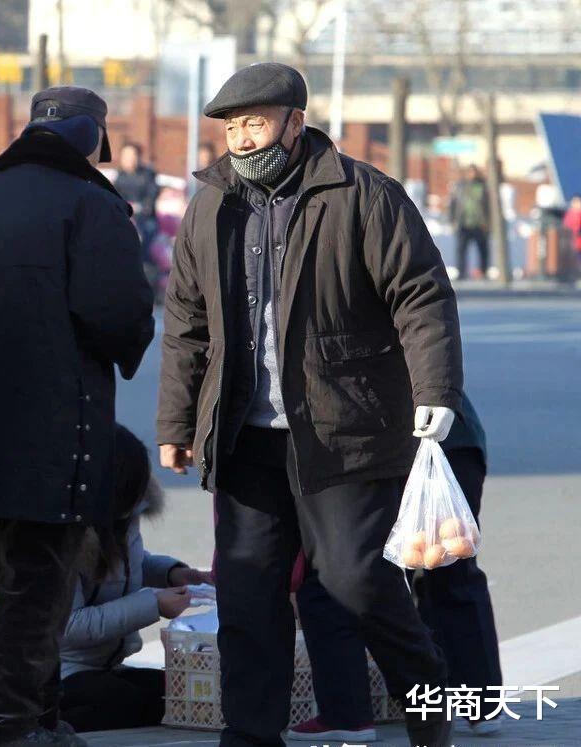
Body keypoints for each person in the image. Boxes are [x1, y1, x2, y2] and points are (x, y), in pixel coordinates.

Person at [156, 63, 461, 747]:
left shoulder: (362, 194)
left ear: (295, 122)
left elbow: (421, 295)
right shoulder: (211, 206)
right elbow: (186, 323)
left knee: (356, 579)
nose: (242, 138)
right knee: (247, 595)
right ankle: (250, 735)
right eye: (232, 127)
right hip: (245, 437)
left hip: (343, 430)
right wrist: (177, 422)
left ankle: (427, 695)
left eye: (255, 123)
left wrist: (436, 391)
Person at [0, 85, 155, 747]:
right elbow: (121, 317)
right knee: (37, 595)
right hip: (58, 434)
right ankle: (2, 730)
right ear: (90, 138)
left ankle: (40, 721)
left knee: (13, 586)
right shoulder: (91, 206)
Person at [291, 395, 501, 742]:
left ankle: (348, 712)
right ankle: (480, 704)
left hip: (379, 452)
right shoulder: (435, 369)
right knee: (450, 573)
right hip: (450, 441)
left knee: (339, 569)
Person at [60, 425, 212, 733]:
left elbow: (132, 564)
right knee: (129, 702)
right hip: (61, 672)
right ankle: (51, 715)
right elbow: (70, 626)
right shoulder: (64, 541)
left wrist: (172, 573)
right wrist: (153, 604)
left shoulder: (125, 516)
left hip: (106, 665)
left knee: (180, 692)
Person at [114, 142, 160, 265]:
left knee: (144, 236)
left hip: (145, 219)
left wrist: (141, 207)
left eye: (132, 155)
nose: (129, 159)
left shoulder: (148, 175)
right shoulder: (119, 177)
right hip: (125, 219)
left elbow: (152, 196)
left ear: (139, 157)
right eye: (126, 156)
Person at [449, 165, 491, 279]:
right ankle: (461, 272)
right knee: (461, 250)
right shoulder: (460, 186)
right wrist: (453, 220)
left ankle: (483, 271)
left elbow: (488, 205)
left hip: (479, 224)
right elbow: (453, 204)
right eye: (470, 172)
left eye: (474, 172)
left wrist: (488, 221)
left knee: (483, 250)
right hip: (464, 223)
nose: (472, 175)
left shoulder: (482, 186)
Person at [562, 194, 581, 266]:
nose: (576, 204)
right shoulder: (569, 214)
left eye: (578, 202)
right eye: (574, 202)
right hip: (571, 244)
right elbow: (566, 227)